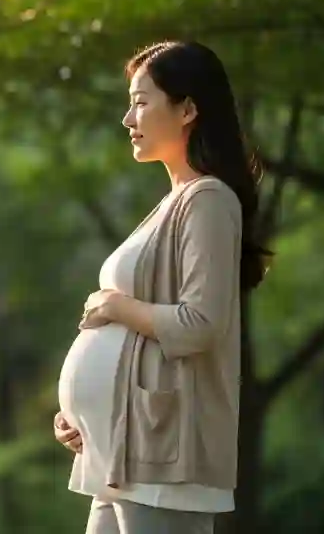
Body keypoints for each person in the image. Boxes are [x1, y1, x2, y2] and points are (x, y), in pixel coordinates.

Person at [53, 41, 269, 534]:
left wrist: (115, 305)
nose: (129, 119)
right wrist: (84, 415)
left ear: (188, 109)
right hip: (124, 454)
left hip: (164, 456)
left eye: (141, 102)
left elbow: (199, 325)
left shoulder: (209, 199)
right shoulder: (173, 203)